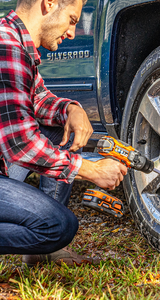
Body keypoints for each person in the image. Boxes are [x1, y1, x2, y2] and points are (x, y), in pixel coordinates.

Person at [0, 0, 127, 266]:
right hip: (10, 153)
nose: (72, 32)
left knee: (62, 129)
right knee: (59, 226)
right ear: (49, 3)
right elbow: (22, 144)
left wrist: (71, 109)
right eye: (71, 19)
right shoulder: (7, 47)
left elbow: (37, 101)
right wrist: (91, 170)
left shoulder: (17, 43)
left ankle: (41, 253)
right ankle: (46, 242)